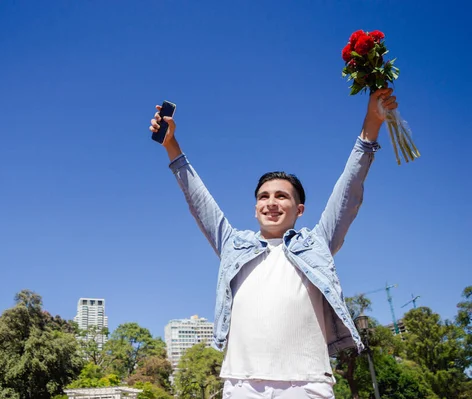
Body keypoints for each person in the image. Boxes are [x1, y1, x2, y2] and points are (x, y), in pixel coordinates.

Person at [148, 88, 398, 399]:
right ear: (255, 209)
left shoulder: (317, 242)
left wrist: (371, 123)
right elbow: (199, 201)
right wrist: (171, 145)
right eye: (263, 197)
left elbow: (349, 191)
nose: (271, 202)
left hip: (307, 384)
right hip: (242, 384)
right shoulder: (233, 245)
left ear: (299, 209)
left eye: (282, 196)